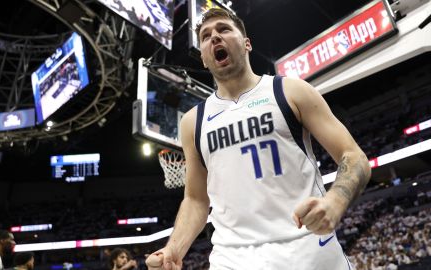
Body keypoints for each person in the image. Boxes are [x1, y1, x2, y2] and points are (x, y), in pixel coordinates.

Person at [146, 7, 372, 270]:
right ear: (204, 58)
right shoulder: (192, 121)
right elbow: (196, 199)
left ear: (247, 43)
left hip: (307, 252)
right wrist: (174, 249)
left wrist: (335, 202)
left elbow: (354, 157)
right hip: (232, 260)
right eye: (206, 36)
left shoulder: (289, 91)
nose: (215, 37)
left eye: (224, 29)